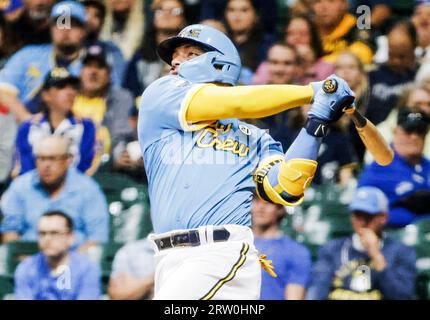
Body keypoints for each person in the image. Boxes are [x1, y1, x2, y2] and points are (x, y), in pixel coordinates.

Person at [138, 24, 355, 299]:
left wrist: (318, 121)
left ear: (220, 64)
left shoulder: (256, 137)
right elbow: (239, 102)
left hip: (221, 252)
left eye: (190, 54)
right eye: (175, 57)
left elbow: (286, 187)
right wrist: (310, 92)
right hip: (168, 258)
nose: (176, 62)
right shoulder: (160, 96)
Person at [0, 0, 122, 123]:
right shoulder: (28, 55)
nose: (65, 29)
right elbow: (3, 89)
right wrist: (27, 119)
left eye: (72, 24)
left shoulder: (95, 63)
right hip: (24, 127)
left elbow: (114, 97)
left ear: (84, 30)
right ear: (50, 27)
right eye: (60, 22)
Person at [306, 186, 417, 300]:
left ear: (383, 217)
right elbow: (317, 291)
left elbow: (402, 296)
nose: (362, 222)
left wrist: (376, 255)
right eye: (358, 215)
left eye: (368, 216)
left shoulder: (401, 252)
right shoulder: (332, 249)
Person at [0, 135, 109, 250]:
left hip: (75, 261)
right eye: (41, 159)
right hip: (29, 260)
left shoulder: (88, 189)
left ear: (67, 160)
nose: (46, 165)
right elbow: (9, 232)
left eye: (52, 159)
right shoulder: (20, 187)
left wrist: (70, 263)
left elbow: (97, 238)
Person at [16, 67, 96, 175]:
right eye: (61, 87)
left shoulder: (86, 126)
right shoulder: (28, 127)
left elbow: (85, 165)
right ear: (46, 95)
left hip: (74, 188)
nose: (70, 92)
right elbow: (25, 168)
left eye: (73, 87)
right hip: (34, 188)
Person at [359, 109, 430, 227]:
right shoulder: (380, 167)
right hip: (396, 236)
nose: (414, 137)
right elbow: (363, 214)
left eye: (420, 131)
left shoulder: (427, 165)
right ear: (395, 131)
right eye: (409, 130)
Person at [73, 46, 134, 174]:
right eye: (88, 66)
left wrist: (115, 156)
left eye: (100, 67)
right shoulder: (68, 95)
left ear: (109, 75)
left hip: (105, 166)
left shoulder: (120, 98)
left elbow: (121, 135)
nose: (93, 72)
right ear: (80, 72)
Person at [14, 211, 101, 300]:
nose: (47, 239)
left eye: (54, 233)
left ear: (70, 237)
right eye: (42, 233)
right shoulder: (26, 268)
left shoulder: (87, 268)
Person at [122, 0, 187, 98]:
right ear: (153, 17)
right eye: (160, 10)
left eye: (175, 11)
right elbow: (128, 92)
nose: (166, 14)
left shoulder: (191, 56)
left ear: (183, 19)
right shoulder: (140, 56)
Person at [252, 196, 311, 300]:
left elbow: (294, 296)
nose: (260, 207)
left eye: (267, 203)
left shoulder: (296, 252)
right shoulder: (234, 244)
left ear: (280, 209)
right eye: (256, 201)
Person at [365, 21, 418, 125]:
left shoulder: (421, 75)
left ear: (414, 47)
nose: (396, 61)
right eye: (392, 55)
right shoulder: (373, 74)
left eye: (402, 56)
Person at [364, 85, 430, 163]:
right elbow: (373, 163)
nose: (425, 109)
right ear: (404, 105)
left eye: (429, 104)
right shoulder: (383, 130)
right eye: (418, 104)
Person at [312, 0, 374, 65]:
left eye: (331, 1)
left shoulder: (358, 26)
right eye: (317, 1)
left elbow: (363, 53)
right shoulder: (309, 29)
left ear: (345, 4)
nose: (323, 7)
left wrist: (321, 64)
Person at [224, 0, 276, 75]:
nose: (237, 16)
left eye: (244, 10)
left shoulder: (268, 43)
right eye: (231, 10)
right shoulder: (220, 41)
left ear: (256, 15)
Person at [82, 0, 126, 82]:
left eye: (97, 15)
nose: (89, 19)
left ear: (102, 23)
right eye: (86, 13)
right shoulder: (61, 49)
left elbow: (117, 83)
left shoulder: (111, 50)